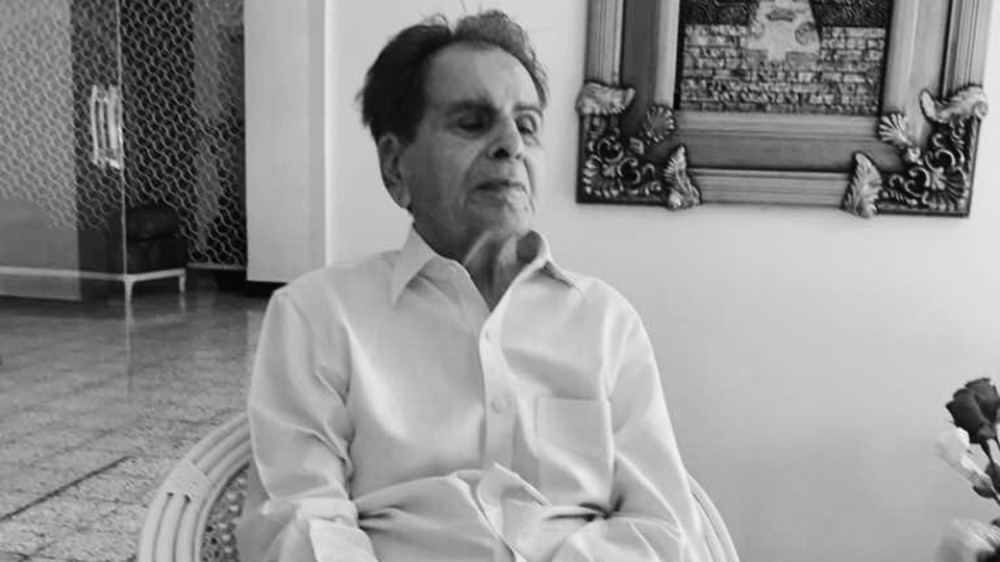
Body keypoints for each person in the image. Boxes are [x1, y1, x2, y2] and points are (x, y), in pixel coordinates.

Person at [236, 10, 709, 562]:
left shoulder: (604, 321)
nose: (511, 144)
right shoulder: (317, 315)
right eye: (472, 122)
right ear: (395, 166)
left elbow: (664, 528)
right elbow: (301, 522)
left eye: (526, 125)